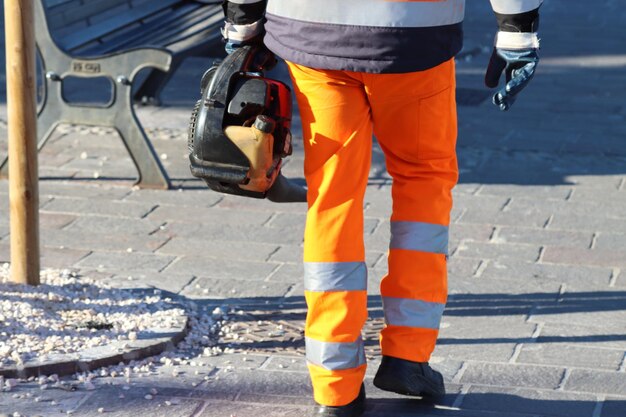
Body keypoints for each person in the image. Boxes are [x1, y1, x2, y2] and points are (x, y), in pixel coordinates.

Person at [221, 1, 542, 416]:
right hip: (413, 35)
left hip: (313, 30)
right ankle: (409, 355)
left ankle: (335, 384)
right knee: (423, 179)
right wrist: (517, 27)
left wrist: (242, 22)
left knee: (332, 195)